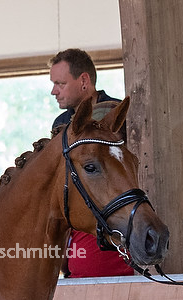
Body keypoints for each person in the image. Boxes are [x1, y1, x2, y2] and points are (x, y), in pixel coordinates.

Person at [48, 50, 132, 278]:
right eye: (54, 84)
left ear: (84, 81)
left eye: (60, 83)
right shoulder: (61, 123)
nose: (53, 91)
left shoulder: (113, 112)